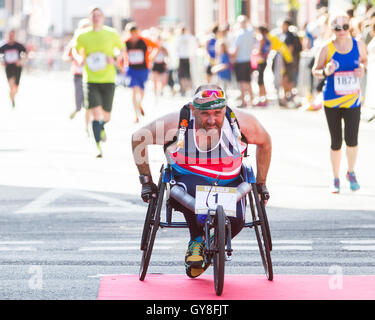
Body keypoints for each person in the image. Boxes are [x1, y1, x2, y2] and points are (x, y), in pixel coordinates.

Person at [131, 83, 272, 278]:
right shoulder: (176, 121)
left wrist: (261, 183)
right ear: (193, 109)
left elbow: (265, 142)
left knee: (237, 220)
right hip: (188, 181)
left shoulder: (241, 121)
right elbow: (138, 138)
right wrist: (146, 181)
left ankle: (210, 243)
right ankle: (197, 240)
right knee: (194, 196)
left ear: (225, 109)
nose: (212, 120)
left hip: (230, 182)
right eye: (205, 113)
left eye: (217, 113)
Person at [312, 12, 367, 193]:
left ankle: (350, 172)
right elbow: (315, 70)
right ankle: (335, 178)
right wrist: (326, 71)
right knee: (336, 141)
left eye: (345, 27)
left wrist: (362, 69)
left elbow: (364, 62)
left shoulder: (358, 45)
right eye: (337, 27)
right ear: (331, 29)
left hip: (352, 100)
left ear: (349, 27)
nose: (342, 31)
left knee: (352, 140)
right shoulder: (326, 48)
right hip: (332, 101)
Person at [75, 7, 125, 158]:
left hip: (108, 79)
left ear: (103, 18)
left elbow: (121, 50)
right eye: (93, 15)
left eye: (99, 15)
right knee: (96, 113)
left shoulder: (111, 33)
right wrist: (79, 59)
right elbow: (75, 50)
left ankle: (102, 127)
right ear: (90, 18)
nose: (96, 18)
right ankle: (97, 146)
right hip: (90, 79)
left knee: (106, 115)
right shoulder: (83, 35)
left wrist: (115, 59)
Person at [125, 23, 159, 123]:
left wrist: (152, 57)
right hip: (131, 69)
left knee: (141, 91)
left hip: (143, 69)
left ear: (138, 32)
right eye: (131, 32)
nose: (134, 34)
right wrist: (121, 63)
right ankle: (136, 115)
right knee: (134, 90)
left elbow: (157, 46)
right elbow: (121, 52)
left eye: (135, 32)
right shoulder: (126, 42)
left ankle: (139, 104)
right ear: (129, 33)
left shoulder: (144, 40)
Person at [62, 18, 91, 134]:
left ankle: (87, 127)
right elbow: (65, 57)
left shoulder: (93, 40)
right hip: (78, 74)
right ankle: (76, 109)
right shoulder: (74, 42)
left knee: (88, 103)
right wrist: (75, 58)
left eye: (87, 27)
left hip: (91, 75)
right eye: (83, 28)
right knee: (80, 103)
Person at [230, 15, 256, 108]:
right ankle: (251, 100)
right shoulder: (250, 32)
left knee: (242, 81)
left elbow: (236, 49)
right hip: (248, 59)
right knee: (248, 81)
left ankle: (244, 100)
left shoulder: (239, 34)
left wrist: (232, 58)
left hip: (240, 60)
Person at [0, 29, 27, 108]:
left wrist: (21, 60)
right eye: (9, 35)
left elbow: (26, 53)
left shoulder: (18, 45)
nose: (10, 37)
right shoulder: (4, 46)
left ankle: (12, 98)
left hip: (17, 68)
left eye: (12, 35)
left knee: (15, 88)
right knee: (11, 86)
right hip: (8, 68)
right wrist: (2, 62)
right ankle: (12, 102)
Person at [176, 26, 195, 96]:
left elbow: (177, 49)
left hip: (182, 57)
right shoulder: (189, 37)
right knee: (188, 75)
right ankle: (190, 89)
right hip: (188, 57)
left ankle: (184, 90)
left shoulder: (179, 38)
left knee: (182, 75)